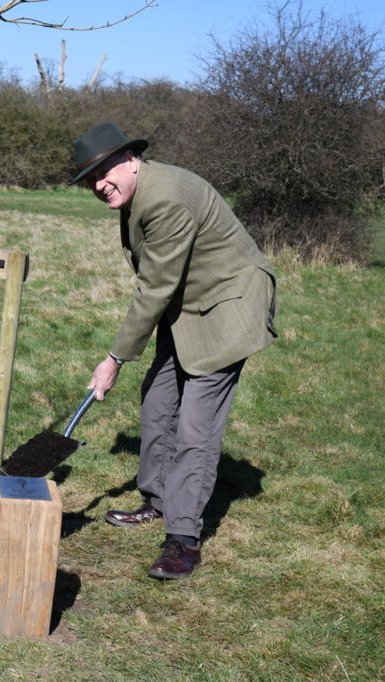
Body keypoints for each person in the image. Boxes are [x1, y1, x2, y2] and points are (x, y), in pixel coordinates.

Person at [70, 123, 277, 579]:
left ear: (129, 159)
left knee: (195, 427)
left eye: (104, 173)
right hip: (187, 304)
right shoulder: (138, 190)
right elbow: (160, 281)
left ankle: (183, 539)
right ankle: (158, 500)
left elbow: (156, 286)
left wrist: (114, 359)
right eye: (90, 181)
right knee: (159, 401)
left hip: (226, 306)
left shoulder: (166, 197)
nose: (99, 186)